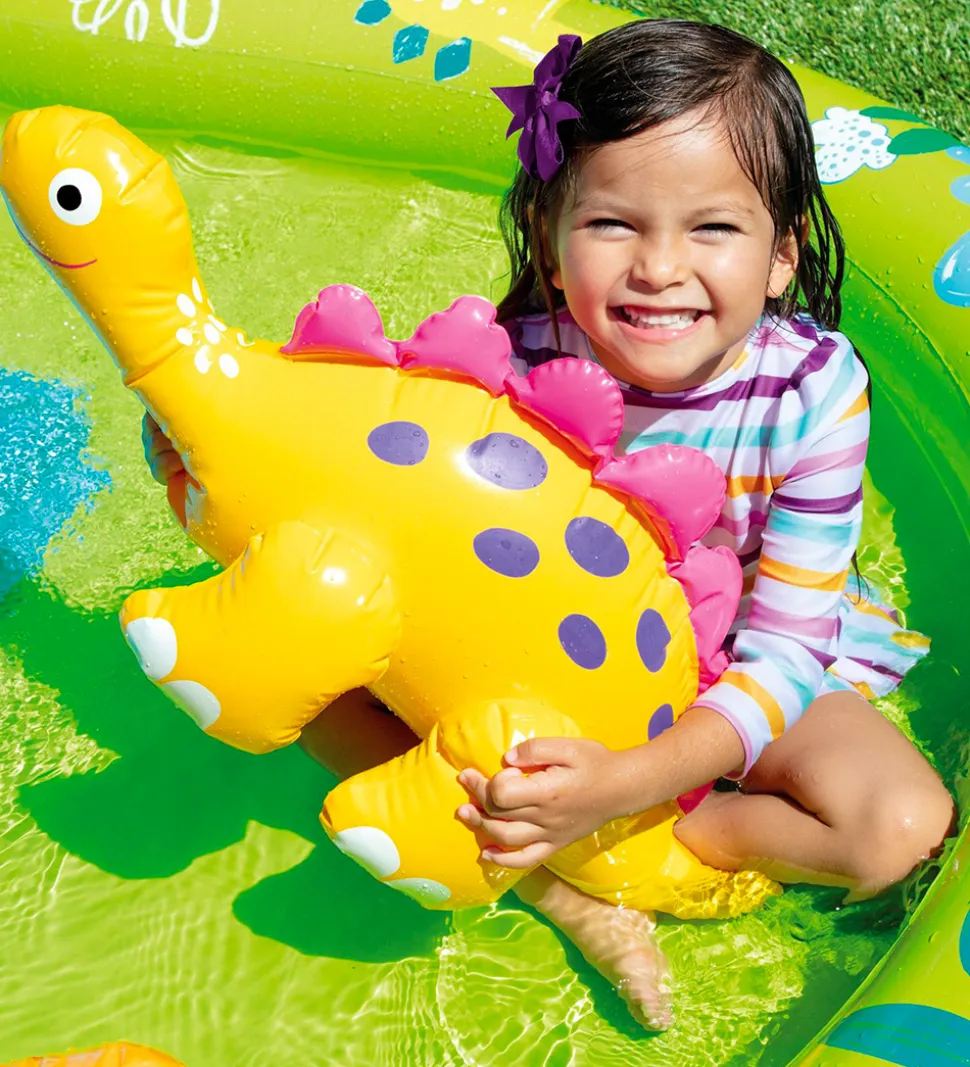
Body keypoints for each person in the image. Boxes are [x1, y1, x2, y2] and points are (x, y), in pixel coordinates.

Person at [142, 18, 955, 1031]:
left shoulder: (812, 394)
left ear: (782, 253)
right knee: (304, 675)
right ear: (550, 239)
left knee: (898, 828)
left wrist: (623, 787)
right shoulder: (515, 366)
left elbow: (788, 651)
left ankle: (633, 850)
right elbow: (342, 481)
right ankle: (559, 885)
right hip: (546, 661)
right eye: (613, 223)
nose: (660, 267)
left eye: (713, 228)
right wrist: (197, 455)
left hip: (746, 657)